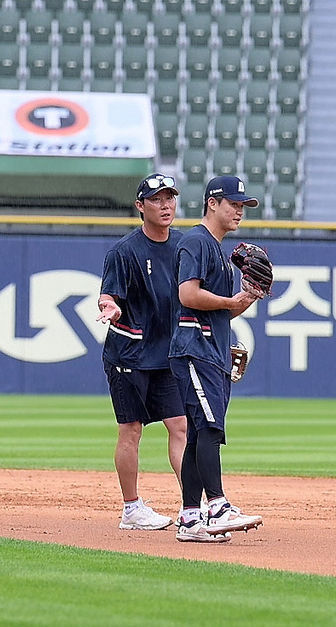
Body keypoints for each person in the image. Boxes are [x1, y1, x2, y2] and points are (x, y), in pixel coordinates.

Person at [168, 175, 264, 543]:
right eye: (234, 204)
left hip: (211, 350)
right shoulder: (196, 241)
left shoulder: (219, 252)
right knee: (209, 429)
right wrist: (228, 302)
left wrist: (246, 297)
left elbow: (221, 313)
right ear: (213, 203)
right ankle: (218, 506)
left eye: (243, 205)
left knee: (197, 435)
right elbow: (187, 294)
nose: (240, 210)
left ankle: (191, 518)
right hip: (195, 349)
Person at [97, 173, 188, 531]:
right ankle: (131, 509)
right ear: (140, 206)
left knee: (180, 426)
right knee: (131, 429)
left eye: (170, 198)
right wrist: (109, 306)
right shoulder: (125, 251)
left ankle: (193, 506)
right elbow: (108, 295)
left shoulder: (184, 245)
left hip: (166, 354)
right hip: (129, 355)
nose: (165, 205)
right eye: (156, 199)